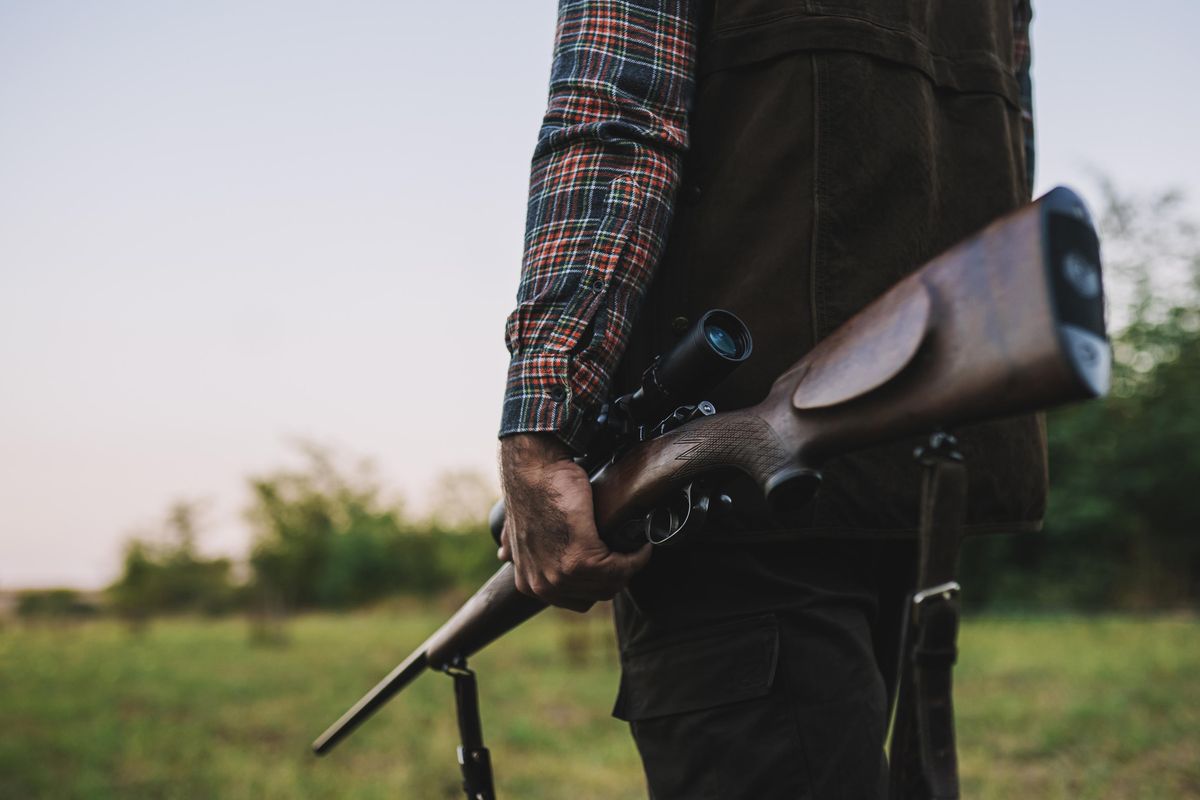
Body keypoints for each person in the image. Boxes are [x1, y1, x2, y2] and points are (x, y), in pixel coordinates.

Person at [498, 1, 1040, 796]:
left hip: (730, 494)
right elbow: (1005, 154)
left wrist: (539, 421)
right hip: (912, 475)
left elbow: (616, 117)